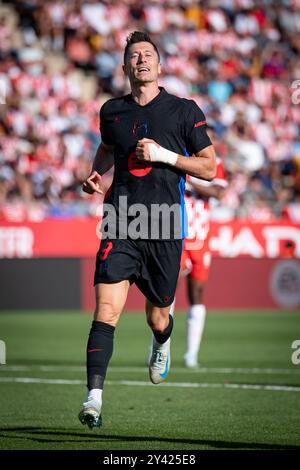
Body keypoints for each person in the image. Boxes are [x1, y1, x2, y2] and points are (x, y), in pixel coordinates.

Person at [79, 31, 216, 429]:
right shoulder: (112, 111)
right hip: (119, 221)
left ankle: (161, 343)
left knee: (158, 317)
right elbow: (107, 147)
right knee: (106, 310)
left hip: (164, 225)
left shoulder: (183, 110)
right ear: (124, 67)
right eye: (133, 55)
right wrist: (95, 175)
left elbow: (209, 167)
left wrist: (165, 155)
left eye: (147, 55)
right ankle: (93, 399)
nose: (140, 60)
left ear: (159, 65)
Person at [181, 145, 227, 368]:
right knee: (165, 291)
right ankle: (159, 349)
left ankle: (191, 354)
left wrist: (189, 179)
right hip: (176, 232)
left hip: (200, 234)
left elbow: (218, 192)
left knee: (197, 293)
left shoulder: (214, 163)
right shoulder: (177, 156)